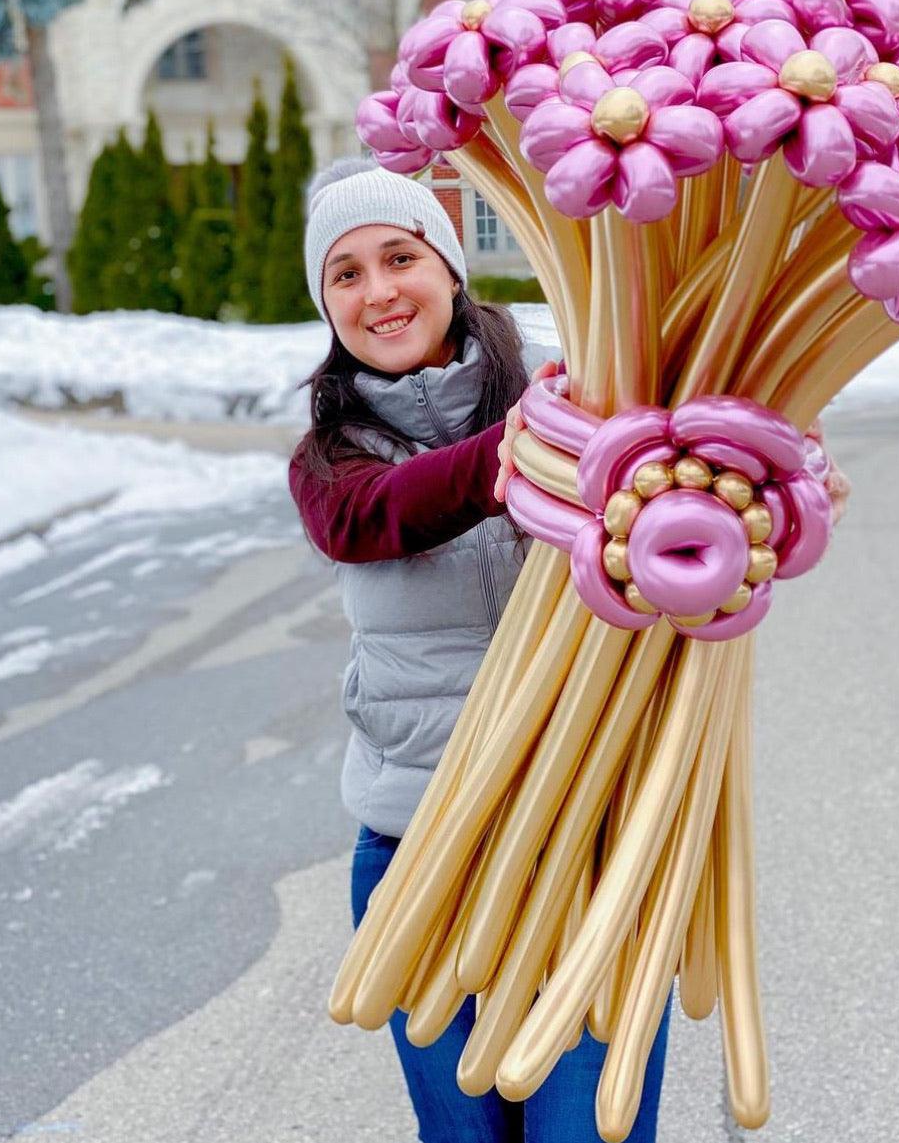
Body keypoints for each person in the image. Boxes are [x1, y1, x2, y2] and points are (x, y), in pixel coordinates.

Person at [287, 157, 848, 1142]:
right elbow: (372, 520)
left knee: (586, 1133)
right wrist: (517, 453)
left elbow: (687, 532)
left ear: (450, 266)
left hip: (588, 850)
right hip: (420, 851)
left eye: (399, 257)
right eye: (346, 274)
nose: (379, 291)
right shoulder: (333, 459)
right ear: (326, 303)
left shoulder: (583, 396)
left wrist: (768, 482)